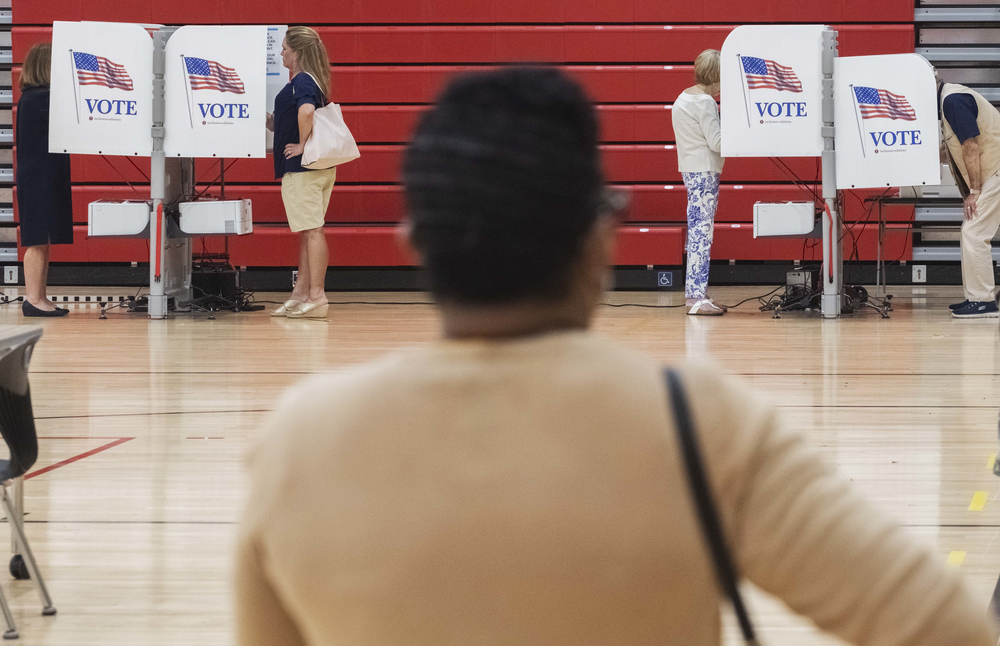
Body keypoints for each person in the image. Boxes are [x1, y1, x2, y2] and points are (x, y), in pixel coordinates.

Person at [235, 67, 997, 646]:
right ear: (602, 241)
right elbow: (947, 629)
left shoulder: (299, 441)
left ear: (413, 244)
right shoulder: (704, 425)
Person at [266, 26, 335, 319]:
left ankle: (317, 296)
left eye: (285, 49)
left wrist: (301, 146)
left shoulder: (303, 80)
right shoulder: (311, 80)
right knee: (309, 231)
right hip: (317, 169)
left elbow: (306, 112)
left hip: (302, 169)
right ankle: (300, 294)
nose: (281, 53)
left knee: (313, 231)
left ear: (297, 52)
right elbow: (288, 119)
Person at [15, 43, 71, 317]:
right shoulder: (40, 98)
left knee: (44, 239)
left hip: (41, 173)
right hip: (37, 176)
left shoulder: (33, 96)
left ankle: (40, 296)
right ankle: (33, 299)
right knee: (36, 238)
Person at [938, 73, 1000, 318]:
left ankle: (983, 301)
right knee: (974, 231)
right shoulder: (950, 98)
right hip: (994, 171)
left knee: (974, 232)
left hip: (995, 171)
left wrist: (974, 191)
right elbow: (952, 148)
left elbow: (970, 146)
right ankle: (977, 298)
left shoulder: (952, 100)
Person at [673, 49, 725, 316]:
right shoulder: (705, 102)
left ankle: (698, 293)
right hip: (705, 172)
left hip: (691, 171)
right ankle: (695, 298)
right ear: (716, 77)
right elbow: (717, 142)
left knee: (698, 233)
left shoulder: (683, 98)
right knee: (702, 235)